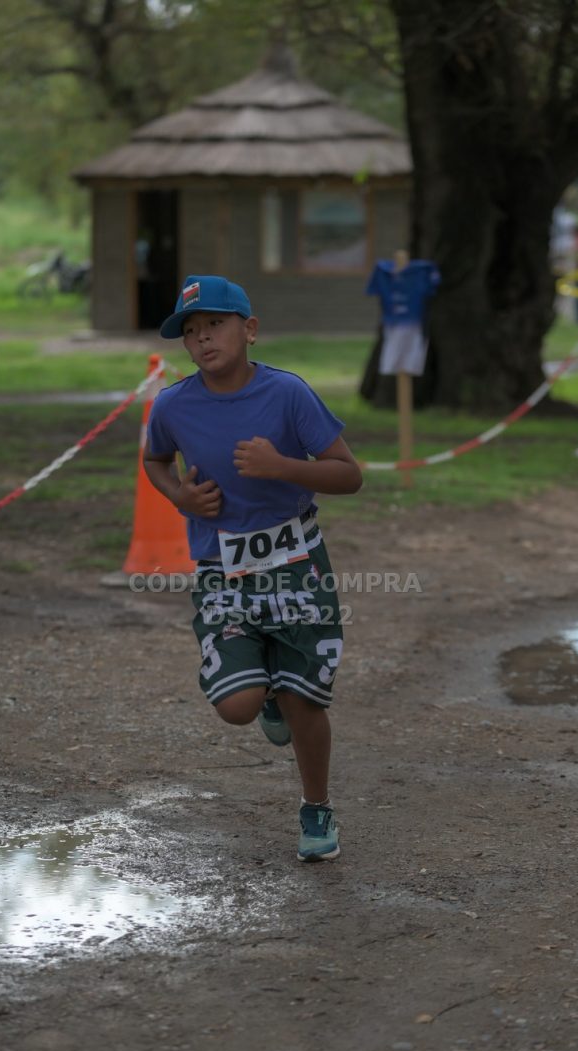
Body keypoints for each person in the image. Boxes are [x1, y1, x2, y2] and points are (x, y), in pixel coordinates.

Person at [144, 275, 363, 862]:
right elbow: (155, 459)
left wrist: (283, 466)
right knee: (236, 706)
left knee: (304, 701)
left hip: (297, 564)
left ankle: (316, 806)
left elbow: (349, 474)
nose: (202, 338)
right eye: (191, 331)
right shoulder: (173, 405)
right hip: (224, 569)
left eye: (215, 325)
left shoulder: (288, 394)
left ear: (250, 329)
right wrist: (180, 497)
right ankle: (263, 688)